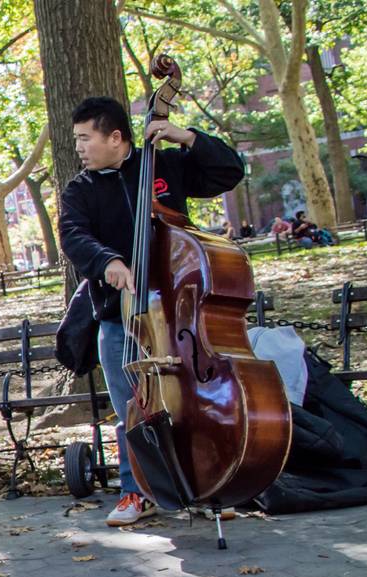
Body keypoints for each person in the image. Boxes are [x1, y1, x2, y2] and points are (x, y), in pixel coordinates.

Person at [57, 96, 245, 527]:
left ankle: (205, 486)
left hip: (180, 313)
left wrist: (186, 137)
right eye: (77, 140)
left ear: (116, 137)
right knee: (131, 408)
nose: (80, 148)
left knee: (191, 401)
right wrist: (109, 262)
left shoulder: (163, 166)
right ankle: (136, 490)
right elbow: (73, 236)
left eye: (86, 138)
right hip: (119, 314)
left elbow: (229, 171)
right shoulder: (80, 190)